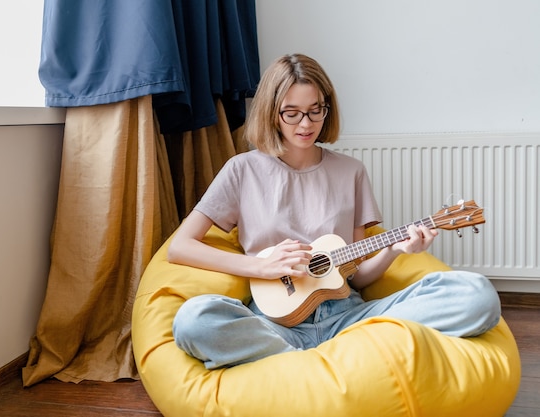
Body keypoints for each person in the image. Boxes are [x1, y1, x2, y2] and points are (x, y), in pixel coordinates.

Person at [167, 53, 501, 370]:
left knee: (477, 295)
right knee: (194, 320)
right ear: (272, 112)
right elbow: (180, 247)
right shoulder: (241, 170)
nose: (306, 123)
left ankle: (306, 362)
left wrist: (394, 249)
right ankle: (343, 360)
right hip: (273, 323)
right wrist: (259, 265)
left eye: (316, 110)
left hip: (348, 318)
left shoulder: (350, 171)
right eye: (292, 112)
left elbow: (357, 274)